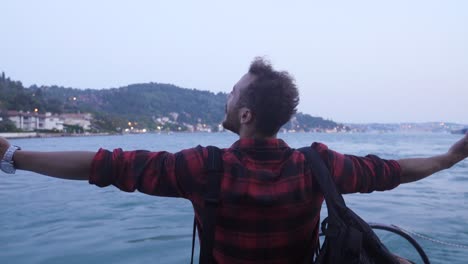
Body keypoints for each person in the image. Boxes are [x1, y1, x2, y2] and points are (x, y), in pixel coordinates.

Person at [1, 58, 467, 264]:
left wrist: (13, 155)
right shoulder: (317, 165)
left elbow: (103, 165)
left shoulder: (202, 166)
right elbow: (390, 171)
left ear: (244, 114)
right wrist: (448, 159)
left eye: (230, 95)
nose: (224, 100)